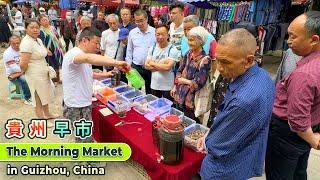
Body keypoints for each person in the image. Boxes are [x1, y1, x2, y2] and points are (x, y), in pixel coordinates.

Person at [196, 28, 275, 180]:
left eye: (226, 62)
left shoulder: (243, 102)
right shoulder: (263, 76)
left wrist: (207, 141)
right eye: (217, 59)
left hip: (224, 170)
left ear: (249, 60)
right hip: (243, 158)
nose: (219, 67)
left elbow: (218, 146)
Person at [265, 11, 320, 180]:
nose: (288, 42)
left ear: (314, 39)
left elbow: (297, 120)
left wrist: (313, 140)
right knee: (298, 171)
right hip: (308, 129)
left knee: (279, 174)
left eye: (293, 36)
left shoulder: (304, 74)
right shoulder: (310, 63)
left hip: (288, 134)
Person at [62, 27, 130, 143]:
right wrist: (117, 62)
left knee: (85, 135)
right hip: (77, 105)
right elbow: (89, 58)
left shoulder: (83, 56)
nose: (98, 47)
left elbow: (89, 74)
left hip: (84, 102)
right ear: (85, 41)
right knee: (83, 137)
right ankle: (85, 160)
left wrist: (107, 75)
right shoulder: (74, 54)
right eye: (96, 43)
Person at [19, 19, 58, 123]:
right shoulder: (26, 43)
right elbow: (23, 64)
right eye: (32, 27)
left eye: (37, 27)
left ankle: (48, 114)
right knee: (38, 98)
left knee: (45, 94)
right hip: (34, 74)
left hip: (43, 71)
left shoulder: (38, 40)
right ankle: (41, 120)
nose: (35, 30)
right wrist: (27, 74)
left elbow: (45, 51)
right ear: (26, 28)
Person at [170, 26, 211, 122]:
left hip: (191, 100)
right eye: (188, 40)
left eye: (192, 40)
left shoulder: (205, 59)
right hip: (179, 94)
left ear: (201, 41)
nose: (189, 43)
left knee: (190, 123)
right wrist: (175, 86)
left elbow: (198, 83)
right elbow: (179, 70)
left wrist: (183, 80)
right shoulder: (188, 54)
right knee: (179, 121)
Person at [145, 25, 180, 100]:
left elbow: (167, 67)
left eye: (163, 34)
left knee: (167, 108)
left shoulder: (173, 49)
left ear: (168, 35)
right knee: (155, 106)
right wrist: (162, 65)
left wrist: (153, 63)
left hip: (167, 86)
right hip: (154, 85)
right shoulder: (152, 48)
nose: (160, 37)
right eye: (158, 34)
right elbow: (146, 66)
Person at [126, 9, 156, 94]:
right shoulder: (132, 33)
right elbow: (129, 50)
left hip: (150, 68)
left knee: (150, 91)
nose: (139, 23)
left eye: (141, 21)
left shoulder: (154, 32)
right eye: (137, 21)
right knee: (135, 90)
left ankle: (149, 106)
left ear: (146, 19)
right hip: (136, 67)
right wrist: (129, 65)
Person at [3, 35, 32, 105]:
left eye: (18, 43)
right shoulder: (7, 53)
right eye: (13, 43)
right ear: (10, 43)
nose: (16, 45)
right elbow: (14, 68)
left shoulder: (23, 49)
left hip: (24, 70)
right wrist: (26, 70)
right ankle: (27, 98)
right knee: (24, 79)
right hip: (14, 74)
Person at [39, 14, 64, 84]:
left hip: (56, 49)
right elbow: (40, 42)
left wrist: (61, 47)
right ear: (40, 22)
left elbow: (57, 38)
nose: (45, 21)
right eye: (43, 20)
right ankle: (53, 80)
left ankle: (58, 79)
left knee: (57, 64)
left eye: (46, 19)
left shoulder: (53, 28)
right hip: (48, 50)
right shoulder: (41, 31)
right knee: (51, 65)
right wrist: (46, 50)